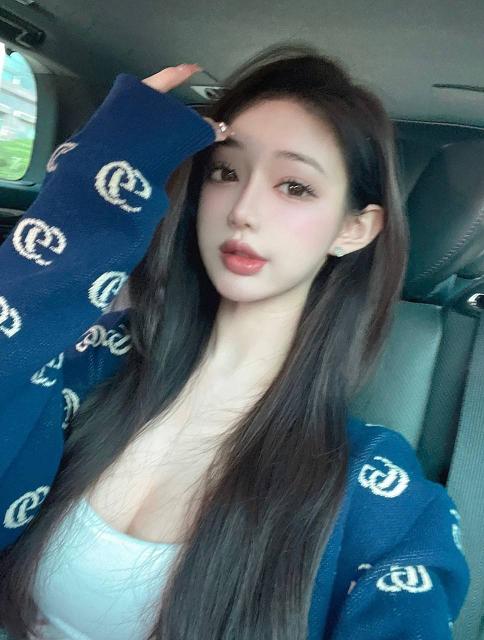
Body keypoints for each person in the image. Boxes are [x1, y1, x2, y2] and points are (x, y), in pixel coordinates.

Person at [0, 43, 469, 639]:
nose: (244, 209)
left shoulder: (380, 497)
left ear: (354, 229)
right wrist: (94, 190)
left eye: (294, 186)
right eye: (226, 172)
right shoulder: (92, 364)